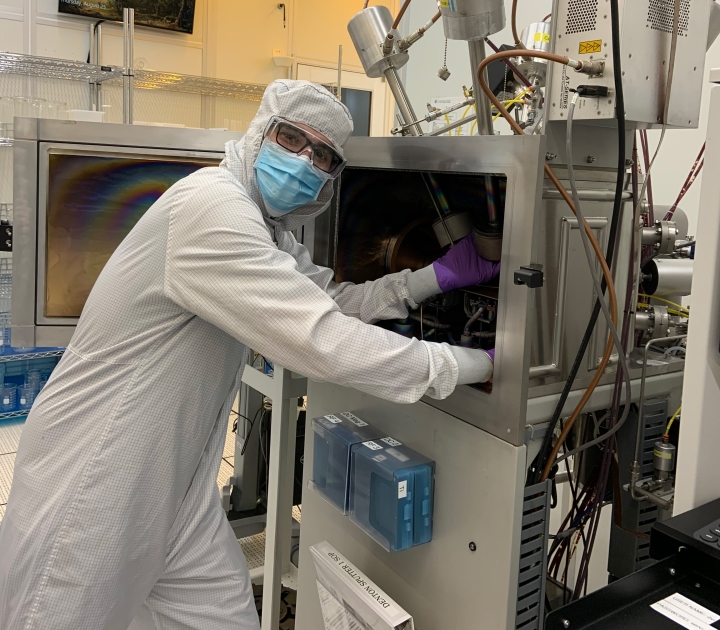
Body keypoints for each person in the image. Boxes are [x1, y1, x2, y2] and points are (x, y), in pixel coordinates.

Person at [0, 80, 498, 630]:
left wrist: (434, 277)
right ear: (261, 132)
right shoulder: (211, 206)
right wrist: (470, 366)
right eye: (292, 138)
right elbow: (320, 336)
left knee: (226, 618)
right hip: (96, 478)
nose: (306, 161)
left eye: (324, 156)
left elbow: (330, 301)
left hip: (179, 488)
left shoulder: (268, 234)